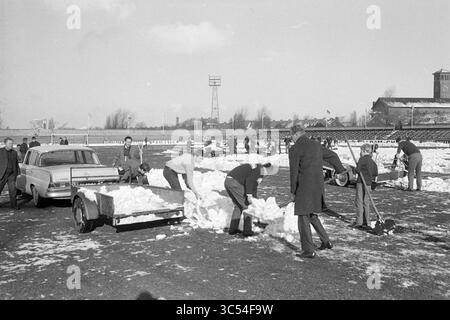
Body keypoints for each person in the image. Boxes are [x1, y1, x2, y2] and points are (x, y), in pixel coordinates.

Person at [288, 124, 333, 259]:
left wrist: (293, 191)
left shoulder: (295, 149)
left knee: (303, 217)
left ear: (296, 134)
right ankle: (326, 241)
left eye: (291, 135)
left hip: (304, 188)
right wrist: (341, 169)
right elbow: (332, 155)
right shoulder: (316, 145)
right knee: (312, 215)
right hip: (318, 187)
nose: (291, 138)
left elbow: (294, 172)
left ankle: (308, 250)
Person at [224, 163, 278, 237]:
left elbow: (253, 185)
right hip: (235, 182)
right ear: (269, 169)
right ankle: (247, 231)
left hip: (228, 181)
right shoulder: (259, 170)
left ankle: (233, 229)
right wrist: (249, 195)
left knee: (238, 206)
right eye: (271, 172)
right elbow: (249, 181)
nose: (269, 175)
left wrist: (254, 199)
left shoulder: (258, 169)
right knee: (248, 207)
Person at [352, 144, 378, 230]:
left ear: (363, 151)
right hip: (368, 184)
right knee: (366, 202)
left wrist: (355, 169)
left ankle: (359, 222)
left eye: (361, 151)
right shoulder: (372, 161)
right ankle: (367, 221)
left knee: (359, 201)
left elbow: (357, 170)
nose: (360, 153)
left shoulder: (362, 159)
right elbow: (375, 173)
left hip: (361, 183)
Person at [0, 138, 20, 209]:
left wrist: (18, 173)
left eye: (12, 143)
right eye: (9, 143)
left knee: (13, 191)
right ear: (5, 144)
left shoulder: (14, 153)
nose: (11, 145)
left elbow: (16, 164)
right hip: (2, 174)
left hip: (11, 175)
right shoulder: (1, 151)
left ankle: (14, 205)